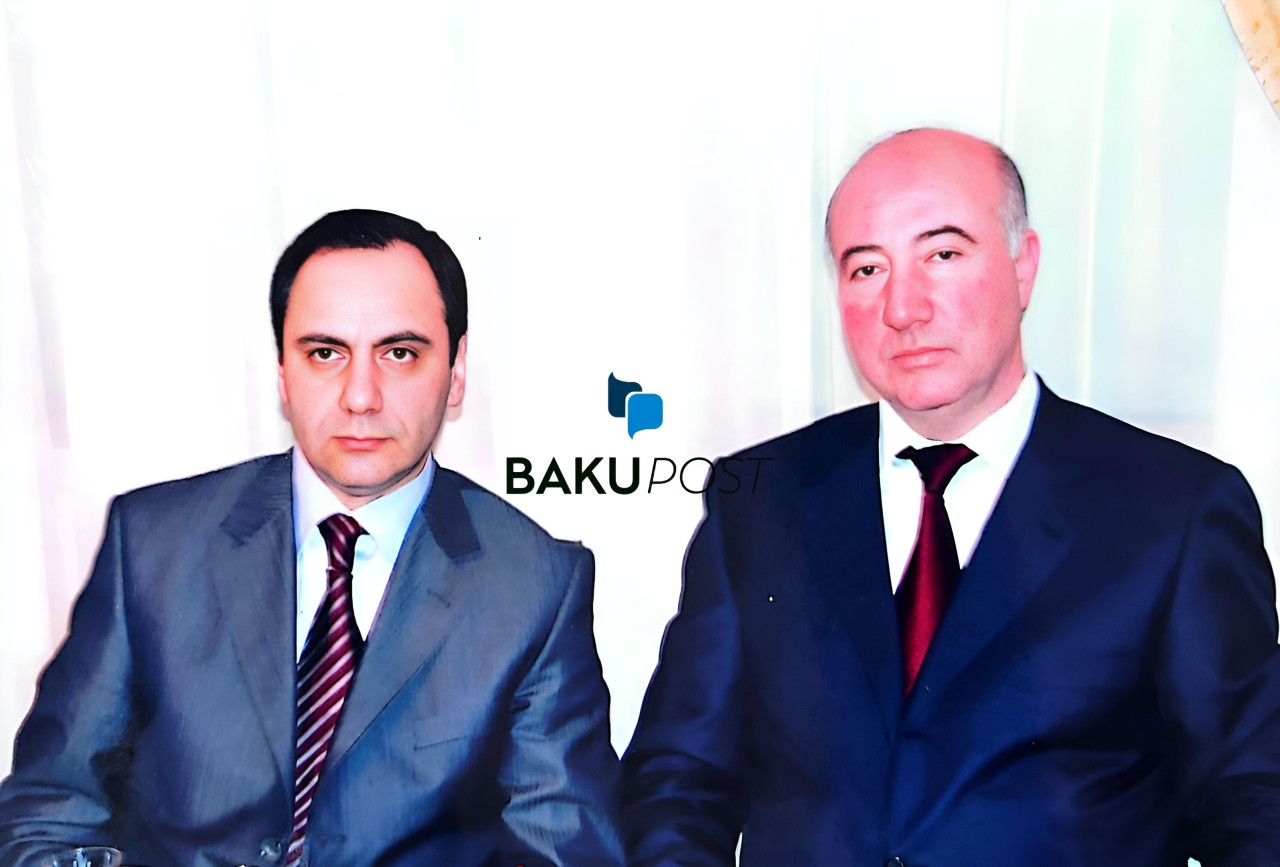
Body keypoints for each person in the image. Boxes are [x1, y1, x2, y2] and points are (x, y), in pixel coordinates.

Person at [621, 129, 1280, 865]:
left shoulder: (1175, 510)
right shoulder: (759, 498)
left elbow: (1253, 799)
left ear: (1023, 266)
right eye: (867, 268)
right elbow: (679, 780)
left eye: (942, 254)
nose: (902, 307)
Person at [0, 210, 624, 867]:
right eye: (325, 353)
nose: (361, 396)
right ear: (282, 371)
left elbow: (564, 852)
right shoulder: (151, 545)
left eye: (400, 353)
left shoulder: (534, 584)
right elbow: (49, 812)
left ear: (456, 370)